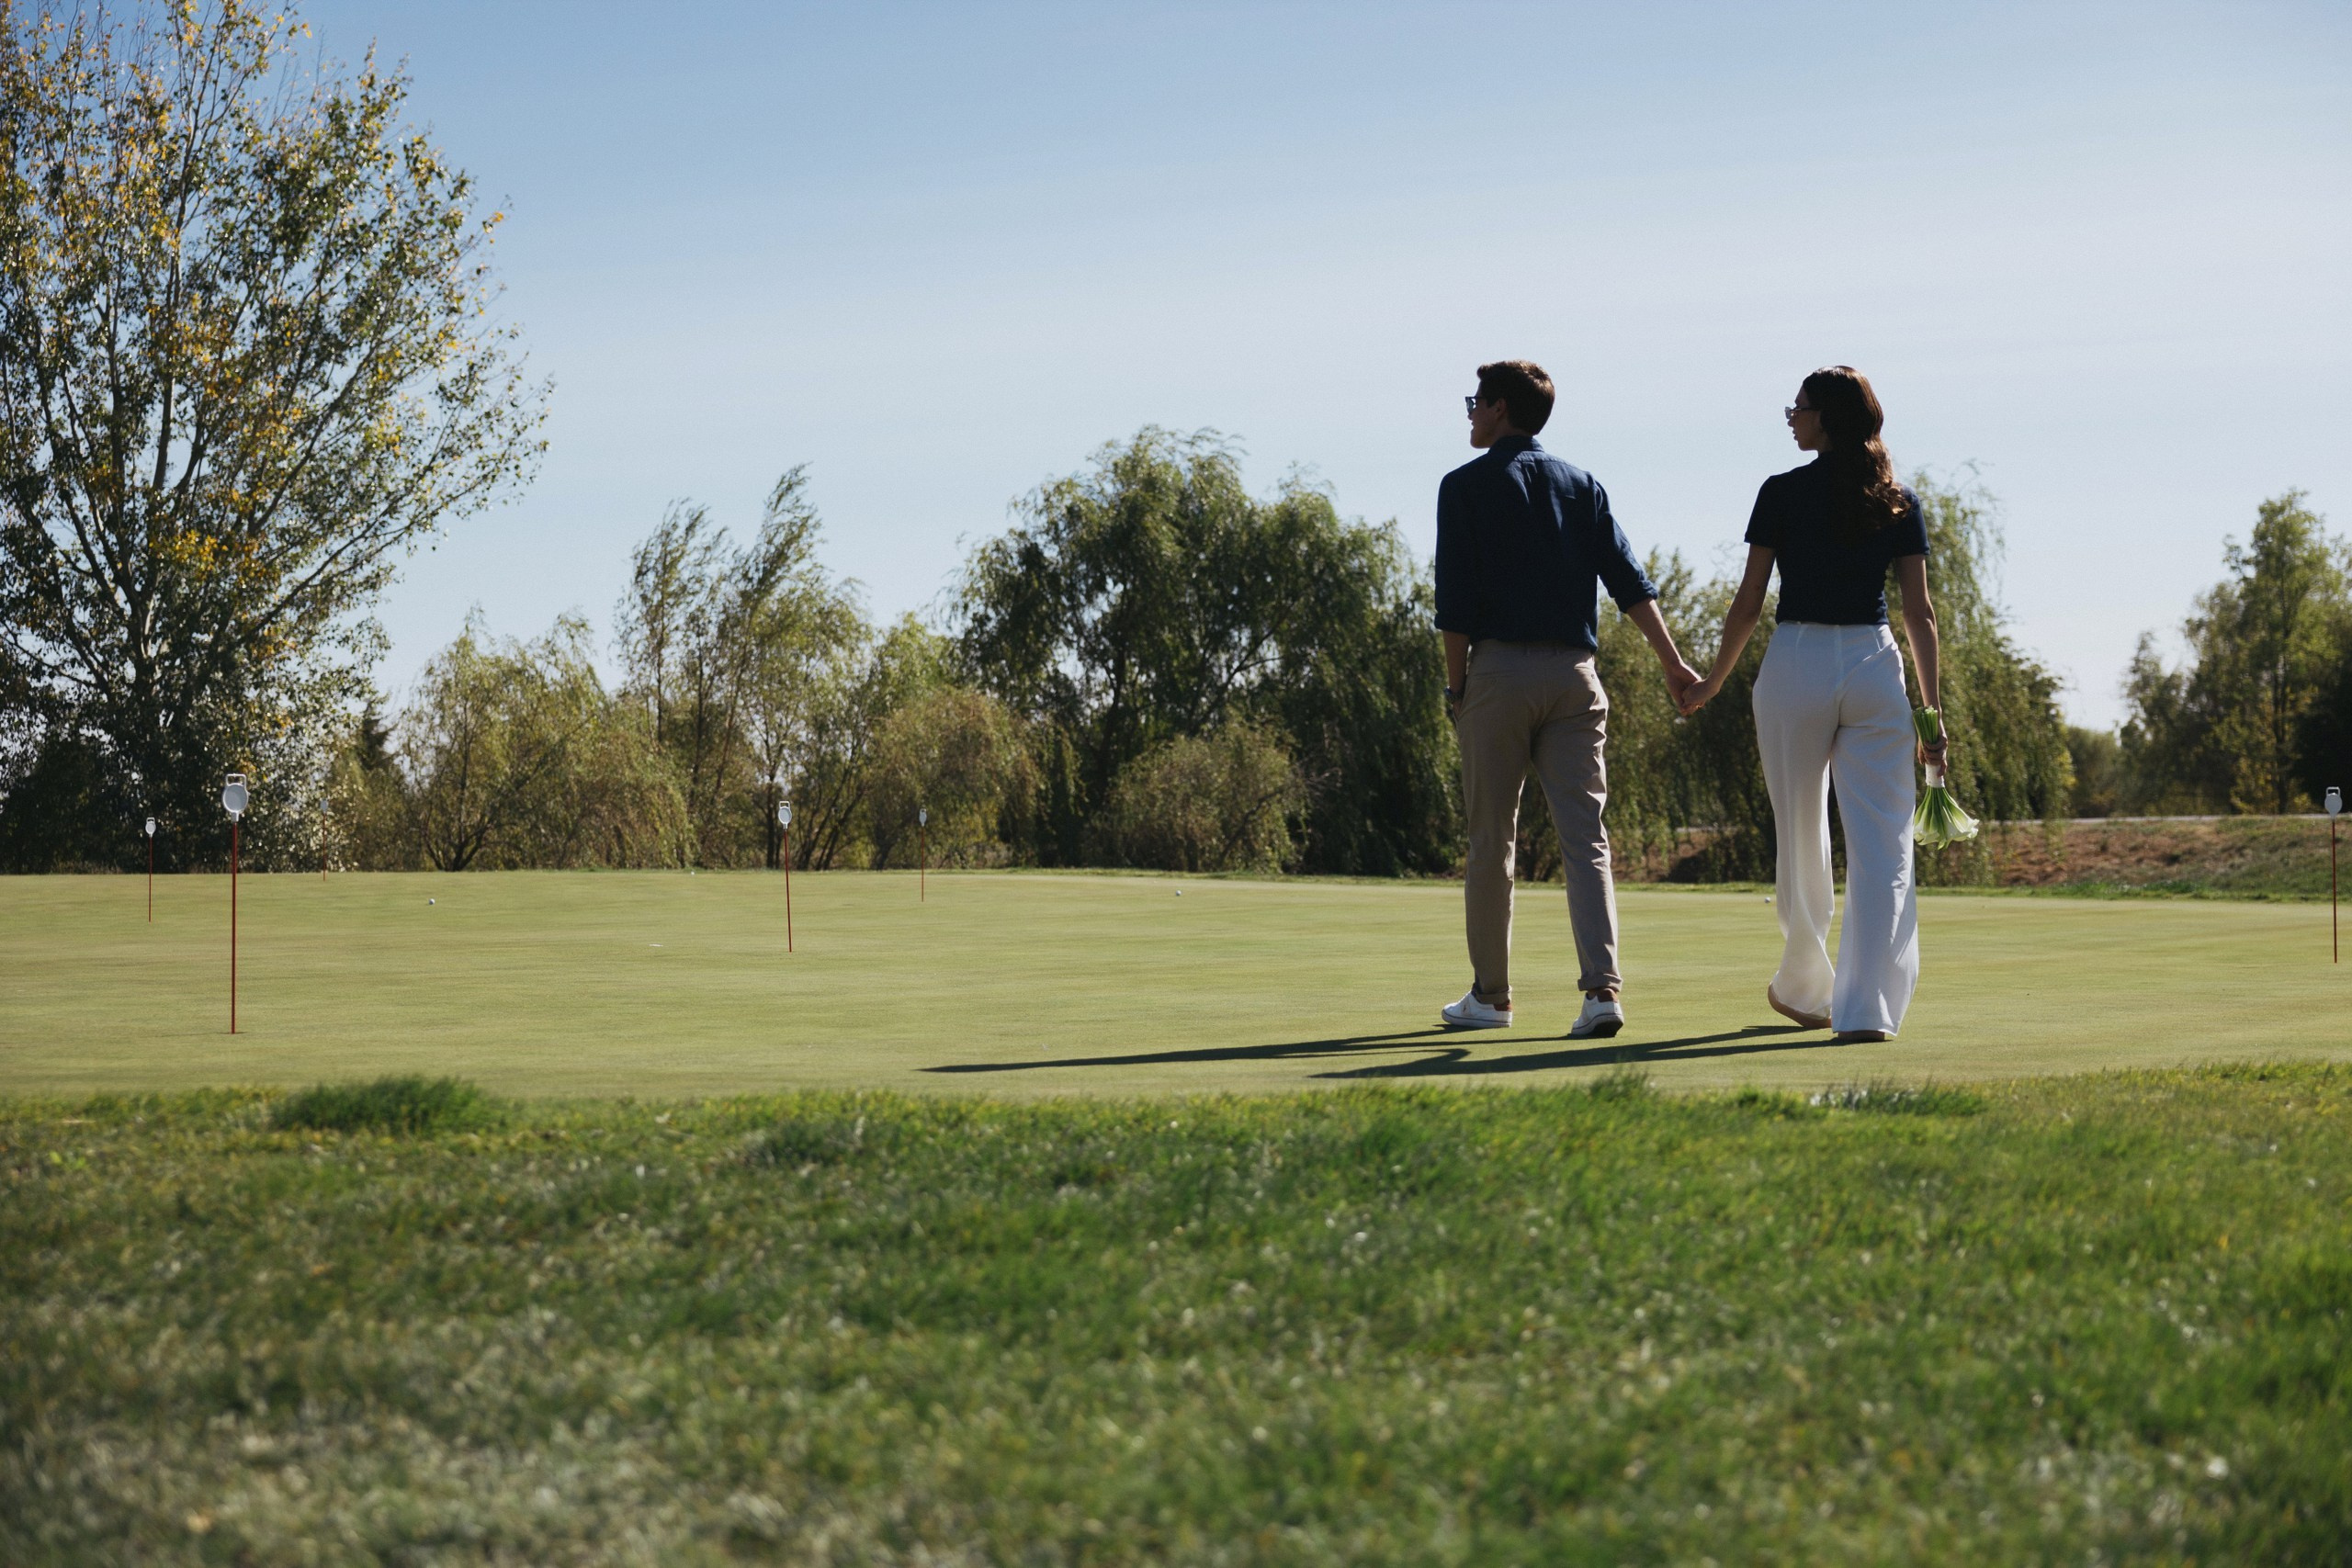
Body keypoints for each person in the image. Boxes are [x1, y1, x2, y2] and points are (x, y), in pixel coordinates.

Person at [1435, 359, 1702, 1037]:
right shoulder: (1583, 486)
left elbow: (1455, 605)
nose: (1470, 412)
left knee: (1492, 837)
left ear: (1498, 409)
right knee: (1587, 839)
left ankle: (1491, 998)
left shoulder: (1463, 486)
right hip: (1577, 676)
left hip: (1498, 675)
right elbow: (1629, 581)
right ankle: (1602, 993)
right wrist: (1673, 663)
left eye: (1476, 402)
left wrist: (1455, 684)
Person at [1679, 365, 1944, 1043]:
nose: (1792, 417)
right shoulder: (1898, 498)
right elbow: (1920, 615)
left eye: (1797, 408)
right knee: (1883, 843)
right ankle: (1868, 1011)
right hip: (1874, 665)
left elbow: (1746, 606)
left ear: (1824, 417)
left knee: (1801, 832)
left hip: (1796, 661)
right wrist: (1931, 716)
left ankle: (1805, 985)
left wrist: (1712, 680)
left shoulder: (1780, 492)